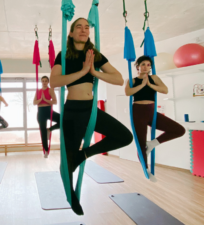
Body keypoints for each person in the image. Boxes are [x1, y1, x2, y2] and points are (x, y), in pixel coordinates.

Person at [50, 18, 133, 215]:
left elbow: (118, 78)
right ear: (70, 33)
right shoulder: (63, 55)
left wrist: (94, 71)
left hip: (91, 110)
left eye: (87, 27)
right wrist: (83, 71)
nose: (84, 29)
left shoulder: (94, 54)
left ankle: (84, 154)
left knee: (125, 137)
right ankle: (71, 196)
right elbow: (55, 81)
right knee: (66, 161)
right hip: (72, 111)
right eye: (78, 26)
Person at [125, 55, 186, 182]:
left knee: (179, 130)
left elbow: (165, 90)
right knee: (140, 143)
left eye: (148, 65)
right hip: (137, 113)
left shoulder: (154, 78)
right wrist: (142, 84)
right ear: (137, 66)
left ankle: (152, 144)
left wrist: (150, 85)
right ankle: (146, 169)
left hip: (152, 112)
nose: (146, 67)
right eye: (143, 64)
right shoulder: (132, 80)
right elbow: (128, 93)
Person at [33, 76, 60, 158]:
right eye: (43, 81)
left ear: (48, 82)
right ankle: (46, 150)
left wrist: (46, 99)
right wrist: (41, 99)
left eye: (46, 81)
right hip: (40, 112)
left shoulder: (50, 90)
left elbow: (55, 102)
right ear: (41, 82)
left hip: (49, 111)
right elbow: (34, 102)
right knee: (43, 132)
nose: (44, 82)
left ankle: (50, 129)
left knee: (62, 120)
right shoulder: (38, 91)